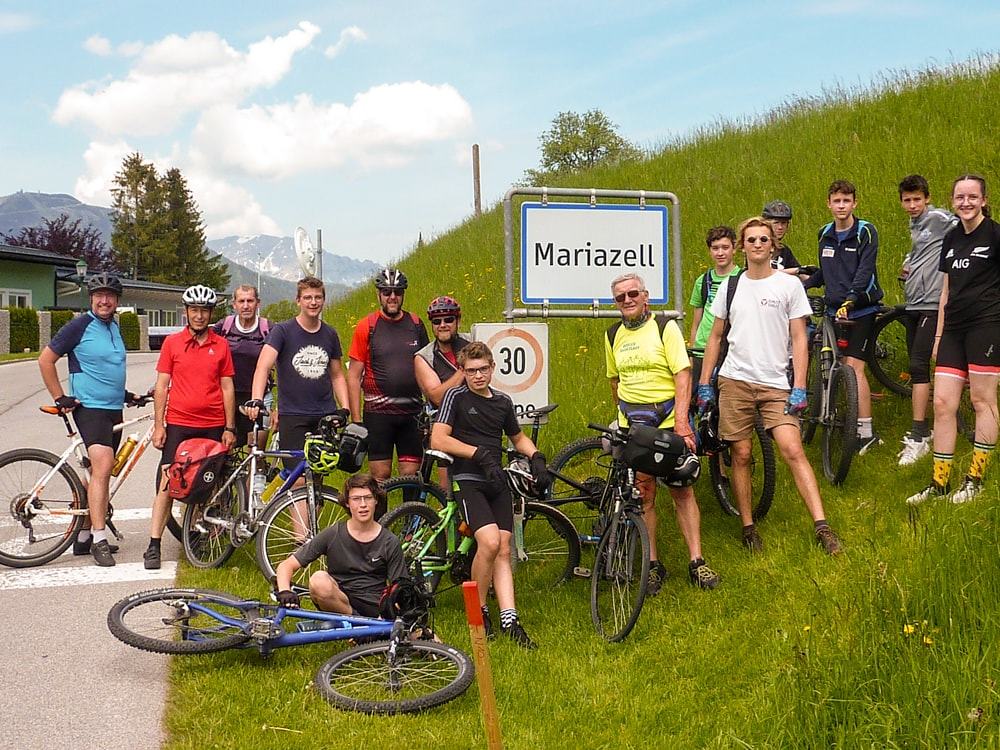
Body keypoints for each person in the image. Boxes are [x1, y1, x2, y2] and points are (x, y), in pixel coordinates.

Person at [697, 217, 842, 554]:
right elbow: (715, 336)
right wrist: (704, 383)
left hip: (776, 383)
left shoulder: (788, 286)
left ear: (773, 245)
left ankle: (822, 525)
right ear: (742, 246)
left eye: (764, 239)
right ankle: (748, 526)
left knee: (793, 449)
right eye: (751, 240)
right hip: (735, 381)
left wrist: (800, 385)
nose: (758, 245)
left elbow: (799, 338)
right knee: (742, 453)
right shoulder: (731, 286)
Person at [605, 272, 720, 594]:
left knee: (682, 491)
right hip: (634, 427)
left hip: (668, 423)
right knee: (645, 494)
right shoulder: (612, 334)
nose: (627, 300)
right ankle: (653, 564)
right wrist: (623, 417)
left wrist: (682, 423)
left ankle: (697, 561)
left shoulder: (664, 327)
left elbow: (683, 374)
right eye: (620, 297)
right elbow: (614, 381)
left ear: (646, 296)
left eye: (633, 294)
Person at [432, 341, 550, 648]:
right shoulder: (456, 396)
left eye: (483, 369)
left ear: (492, 368)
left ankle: (510, 619)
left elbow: (518, 437)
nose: (478, 376)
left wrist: (537, 457)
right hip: (467, 479)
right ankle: (479, 609)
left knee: (504, 548)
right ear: (463, 371)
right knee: (489, 541)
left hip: (496, 480)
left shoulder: (502, 401)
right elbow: (439, 438)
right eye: (471, 371)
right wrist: (477, 454)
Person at [906, 174, 1000, 505]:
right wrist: (939, 335)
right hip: (953, 330)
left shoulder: (995, 235)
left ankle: (975, 479)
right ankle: (940, 483)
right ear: (953, 200)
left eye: (972, 197)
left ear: (984, 200)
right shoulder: (951, 238)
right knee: (943, 403)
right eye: (960, 197)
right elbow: (946, 290)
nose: (966, 202)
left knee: (982, 401)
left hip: (987, 327)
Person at [38, 272, 141, 566]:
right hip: (90, 409)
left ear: (117, 300)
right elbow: (45, 360)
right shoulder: (79, 325)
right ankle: (99, 539)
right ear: (91, 298)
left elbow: (105, 369)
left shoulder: (114, 327)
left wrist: (126, 395)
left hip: (113, 408)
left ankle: (82, 538)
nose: (104, 300)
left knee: (97, 474)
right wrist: (60, 397)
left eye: (110, 296)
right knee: (103, 466)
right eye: (99, 295)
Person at [146, 284, 237, 569]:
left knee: (207, 484)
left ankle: (197, 536)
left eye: (204, 311)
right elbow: (162, 386)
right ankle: (154, 544)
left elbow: (227, 387)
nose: (199, 316)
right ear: (186, 312)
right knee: (167, 482)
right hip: (179, 424)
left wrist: (230, 427)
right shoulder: (172, 343)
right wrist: (159, 425)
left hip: (213, 424)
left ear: (211, 313)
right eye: (194, 310)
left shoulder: (221, 345)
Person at [803, 179, 884, 454]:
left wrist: (851, 299)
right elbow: (826, 272)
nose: (841, 206)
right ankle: (840, 420)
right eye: (836, 201)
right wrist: (803, 285)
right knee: (835, 365)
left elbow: (865, 270)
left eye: (846, 201)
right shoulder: (824, 233)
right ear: (828, 204)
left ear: (854, 203)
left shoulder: (865, 231)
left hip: (861, 309)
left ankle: (866, 432)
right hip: (832, 310)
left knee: (854, 367)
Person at [246, 277, 350, 478]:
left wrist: (344, 409)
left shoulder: (330, 334)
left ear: (323, 300)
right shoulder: (283, 331)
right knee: (298, 477)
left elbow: (337, 375)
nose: (313, 302)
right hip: (293, 415)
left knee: (317, 477)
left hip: (324, 415)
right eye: (308, 297)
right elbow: (263, 367)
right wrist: (257, 399)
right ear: (298, 301)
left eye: (318, 297)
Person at [274, 474, 406, 616]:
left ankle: (365, 625)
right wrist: (285, 590)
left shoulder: (389, 541)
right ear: (347, 503)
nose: (363, 504)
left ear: (376, 500)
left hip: (376, 607)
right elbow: (286, 565)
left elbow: (401, 587)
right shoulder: (333, 533)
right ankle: (355, 620)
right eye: (356, 499)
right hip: (338, 601)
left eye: (368, 498)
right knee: (318, 580)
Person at [895, 175, 957, 466]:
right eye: (907, 200)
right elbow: (925, 248)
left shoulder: (937, 217)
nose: (912, 205)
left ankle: (919, 434)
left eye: (917, 199)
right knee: (917, 366)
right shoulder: (916, 223)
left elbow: (965, 225)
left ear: (927, 198)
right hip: (915, 302)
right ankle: (928, 426)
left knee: (919, 365)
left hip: (933, 303)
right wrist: (910, 262)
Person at [347, 269, 429, 484]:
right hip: (378, 415)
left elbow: (427, 368)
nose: (392, 297)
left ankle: (411, 508)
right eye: (386, 292)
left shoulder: (416, 324)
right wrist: (356, 420)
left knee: (411, 475)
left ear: (403, 294)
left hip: (412, 413)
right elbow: (353, 376)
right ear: (378, 295)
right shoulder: (367, 326)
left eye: (397, 292)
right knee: (380, 476)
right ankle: (380, 509)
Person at [212, 284, 273, 447]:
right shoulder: (224, 327)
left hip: (259, 396)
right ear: (234, 305)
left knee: (256, 453)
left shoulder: (268, 328)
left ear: (258, 303)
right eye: (241, 301)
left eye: (250, 301)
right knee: (226, 450)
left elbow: (282, 364)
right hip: (228, 396)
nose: (246, 306)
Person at [688, 226, 740, 385]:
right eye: (715, 248)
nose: (720, 253)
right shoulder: (702, 281)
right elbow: (696, 322)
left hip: (729, 351)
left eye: (725, 247)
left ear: (734, 249)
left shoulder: (742, 279)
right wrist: (691, 354)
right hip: (702, 351)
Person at [414, 295, 470, 408]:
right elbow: (438, 399)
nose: (442, 325)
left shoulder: (473, 340)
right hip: (446, 415)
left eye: (449, 320)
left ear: (458, 321)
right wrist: (466, 368)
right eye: (437, 321)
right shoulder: (424, 357)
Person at [762, 199, 802, 275]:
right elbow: (760, 275)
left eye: (783, 223)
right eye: (776, 223)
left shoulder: (784, 250)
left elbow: (800, 273)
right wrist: (795, 270)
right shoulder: (757, 247)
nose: (780, 227)